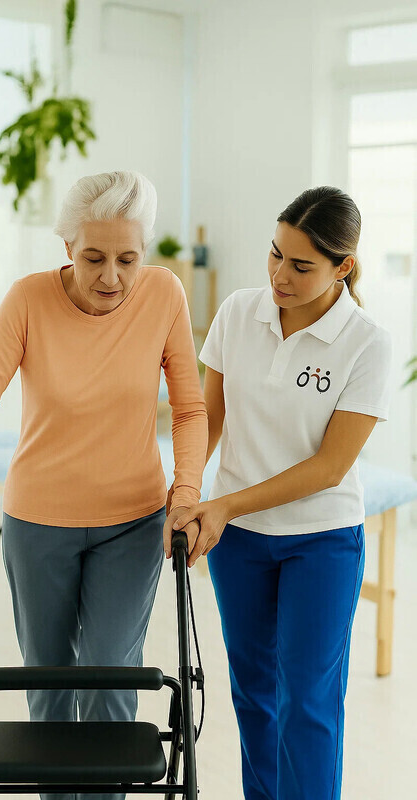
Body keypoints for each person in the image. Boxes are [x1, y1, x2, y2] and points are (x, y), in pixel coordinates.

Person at [0, 170, 207, 800]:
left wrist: (186, 494)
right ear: (67, 248)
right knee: (49, 689)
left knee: (112, 683)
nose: (112, 276)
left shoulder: (164, 294)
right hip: (37, 524)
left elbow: (190, 410)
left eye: (127, 258)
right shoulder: (28, 300)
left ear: (146, 252)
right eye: (94, 257)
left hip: (132, 520)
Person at [170, 187, 392, 800]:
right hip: (239, 545)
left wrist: (225, 504)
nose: (279, 276)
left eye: (301, 266)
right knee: (254, 693)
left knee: (309, 701)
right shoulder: (239, 313)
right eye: (274, 255)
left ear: (342, 267)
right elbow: (206, 420)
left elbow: (329, 466)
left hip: (319, 542)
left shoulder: (367, 343)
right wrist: (186, 491)